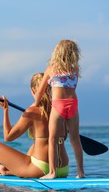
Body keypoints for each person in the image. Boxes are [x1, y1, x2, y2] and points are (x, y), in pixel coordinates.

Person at [0, 73, 69, 178]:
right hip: (63, 168)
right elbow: (64, 137)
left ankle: (16, 170)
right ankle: (13, 171)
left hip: (41, 169)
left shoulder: (32, 112)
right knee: (34, 145)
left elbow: (8, 137)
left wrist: (5, 110)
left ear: (33, 91)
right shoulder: (60, 109)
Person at [32, 39, 84, 179]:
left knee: (53, 140)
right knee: (75, 140)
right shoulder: (75, 71)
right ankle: (81, 173)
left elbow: (40, 93)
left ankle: (52, 172)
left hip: (58, 105)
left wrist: (35, 104)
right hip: (73, 104)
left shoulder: (51, 69)